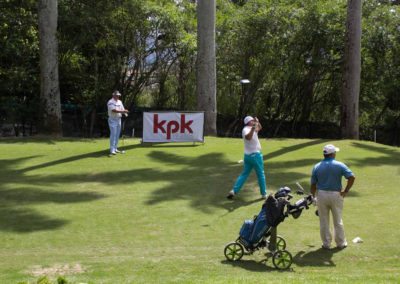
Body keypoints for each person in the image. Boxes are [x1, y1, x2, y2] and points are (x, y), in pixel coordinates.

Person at [310, 144, 355, 249]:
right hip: (336, 195)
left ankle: (326, 244)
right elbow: (352, 177)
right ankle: (341, 243)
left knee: (324, 221)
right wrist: (346, 191)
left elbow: (313, 185)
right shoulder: (339, 165)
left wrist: (313, 197)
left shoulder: (317, 166)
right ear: (333, 154)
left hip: (321, 195)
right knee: (338, 220)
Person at [227, 116, 267, 200]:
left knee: (244, 174)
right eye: (252, 120)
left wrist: (257, 122)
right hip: (255, 155)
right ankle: (263, 194)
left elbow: (259, 128)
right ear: (249, 122)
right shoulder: (246, 129)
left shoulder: (251, 127)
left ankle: (234, 191)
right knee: (261, 174)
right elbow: (248, 138)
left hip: (248, 156)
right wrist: (253, 127)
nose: (253, 121)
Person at [107, 90, 129, 156]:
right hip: (112, 119)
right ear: (113, 95)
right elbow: (113, 110)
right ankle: (112, 150)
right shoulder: (110, 102)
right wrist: (123, 112)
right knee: (113, 134)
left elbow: (122, 109)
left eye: (118, 95)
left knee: (117, 134)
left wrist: (126, 114)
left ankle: (115, 148)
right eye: (116, 95)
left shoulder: (120, 101)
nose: (118, 96)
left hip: (119, 119)